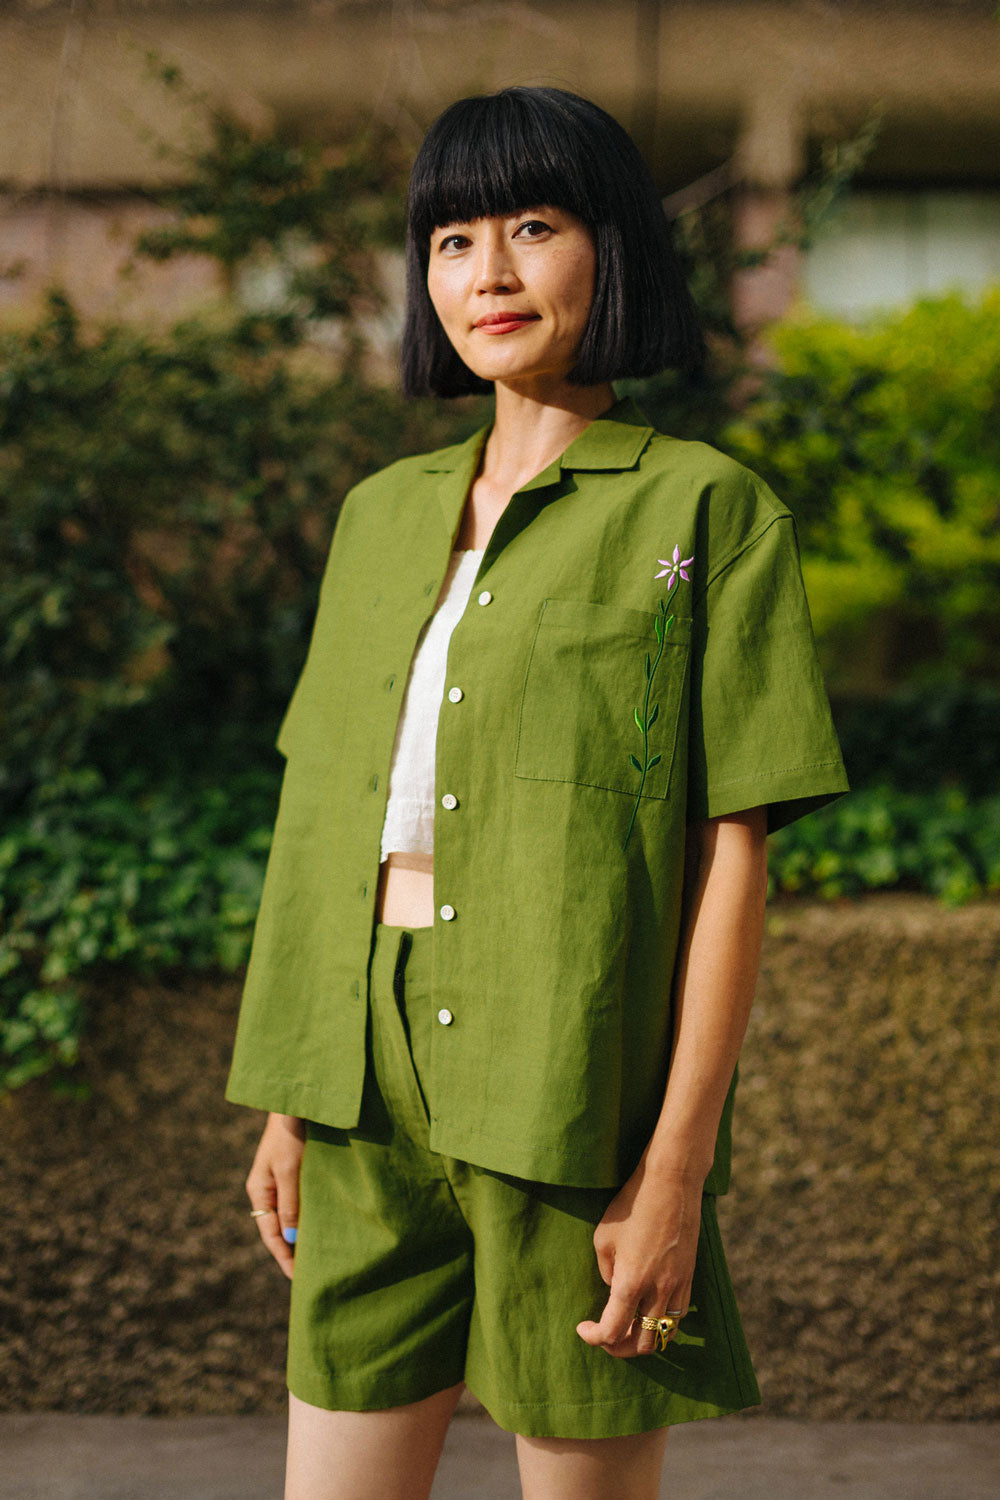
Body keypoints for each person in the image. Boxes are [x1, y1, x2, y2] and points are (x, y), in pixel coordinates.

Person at [225, 86, 849, 1500]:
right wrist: (288, 1100)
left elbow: (728, 855)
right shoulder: (378, 517)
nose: (487, 274)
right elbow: (325, 817)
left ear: (609, 249)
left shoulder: (705, 511)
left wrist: (676, 1169)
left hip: (569, 1077)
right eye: (451, 239)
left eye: (532, 226)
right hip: (359, 1091)